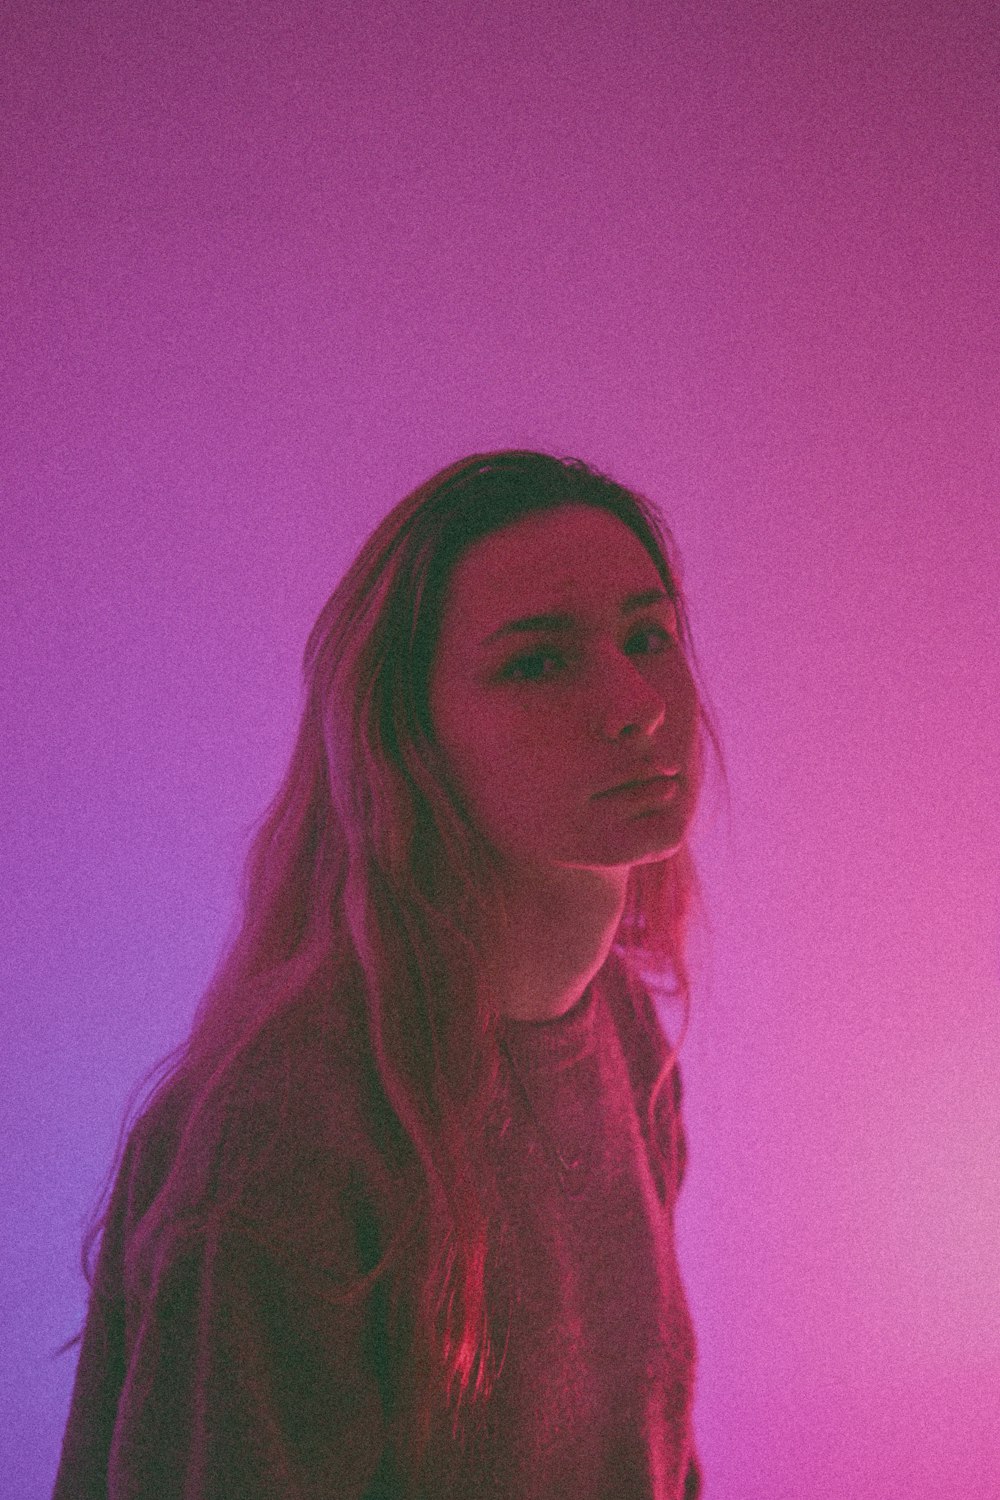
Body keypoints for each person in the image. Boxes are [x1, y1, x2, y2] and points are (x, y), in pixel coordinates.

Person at [52, 450, 725, 1499]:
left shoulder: (623, 1032)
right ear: (406, 735)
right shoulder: (288, 1137)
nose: (636, 702)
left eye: (648, 637)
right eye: (538, 663)